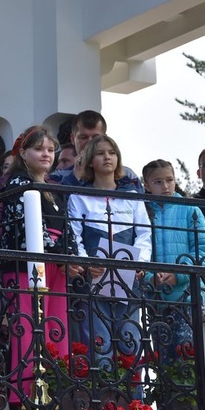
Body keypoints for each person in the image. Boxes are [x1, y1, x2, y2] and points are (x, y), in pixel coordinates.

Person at [0, 126, 78, 407]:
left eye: (49, 149)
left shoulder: (52, 190)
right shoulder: (18, 184)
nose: (45, 154)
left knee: (56, 332)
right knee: (27, 334)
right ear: (23, 153)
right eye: (38, 149)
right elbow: (30, 227)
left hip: (55, 268)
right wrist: (61, 254)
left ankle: (54, 395)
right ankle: (24, 400)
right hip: (25, 269)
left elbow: (67, 230)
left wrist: (73, 258)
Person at [67, 135, 152, 358]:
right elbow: (74, 236)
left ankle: (134, 393)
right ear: (90, 161)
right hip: (94, 278)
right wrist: (87, 264)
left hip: (129, 277)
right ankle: (103, 392)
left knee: (130, 340)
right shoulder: (78, 197)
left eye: (112, 153)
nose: (107, 157)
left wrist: (139, 263)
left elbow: (144, 232)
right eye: (100, 153)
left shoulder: (132, 197)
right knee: (98, 342)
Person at [141, 159, 205, 360]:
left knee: (187, 357)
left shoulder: (190, 209)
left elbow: (203, 250)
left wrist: (178, 274)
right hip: (157, 300)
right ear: (146, 185)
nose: (165, 186)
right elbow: (140, 252)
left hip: (187, 298)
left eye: (169, 180)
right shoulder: (145, 211)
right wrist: (149, 277)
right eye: (157, 182)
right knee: (163, 360)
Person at [52, 110, 142, 192]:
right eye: (83, 137)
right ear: (73, 138)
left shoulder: (128, 175)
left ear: (105, 138)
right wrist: (74, 177)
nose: (90, 142)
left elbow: (143, 206)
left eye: (96, 138)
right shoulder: (58, 177)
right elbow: (58, 206)